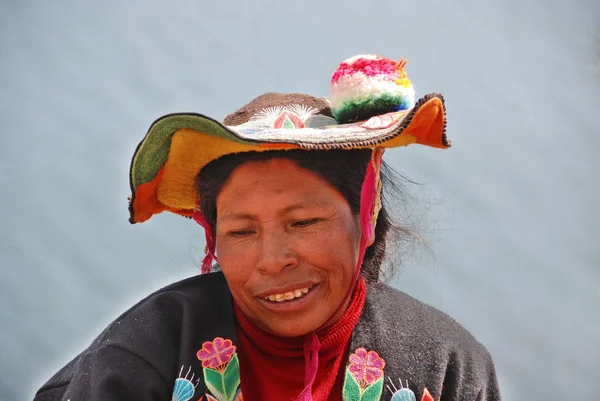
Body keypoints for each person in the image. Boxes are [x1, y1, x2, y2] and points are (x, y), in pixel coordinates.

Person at [34, 54, 501, 401]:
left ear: (367, 217)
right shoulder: (148, 350)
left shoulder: (448, 369)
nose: (273, 259)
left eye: (303, 222)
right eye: (241, 232)